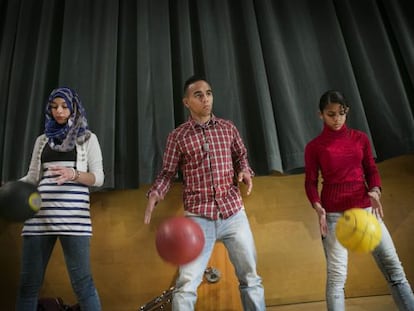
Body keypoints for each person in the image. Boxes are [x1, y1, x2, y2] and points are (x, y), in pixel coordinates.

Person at [144, 75, 266, 311]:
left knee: (250, 278)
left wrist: (245, 171)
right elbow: (167, 174)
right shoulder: (178, 136)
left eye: (208, 93)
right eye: (198, 95)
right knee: (187, 284)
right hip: (199, 218)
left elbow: (241, 156)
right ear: (186, 102)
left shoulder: (228, 128)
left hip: (233, 213)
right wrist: (155, 195)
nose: (206, 99)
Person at [304, 90, 414, 311]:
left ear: (347, 112)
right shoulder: (315, 147)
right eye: (331, 114)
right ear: (321, 115)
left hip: (366, 212)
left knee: (396, 272)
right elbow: (310, 182)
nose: (337, 119)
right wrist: (318, 206)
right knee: (336, 280)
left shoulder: (360, 139)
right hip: (334, 217)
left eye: (341, 113)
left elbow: (371, 170)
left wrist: (374, 191)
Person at [16, 87, 104, 310]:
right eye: (54, 107)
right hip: (38, 219)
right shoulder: (42, 140)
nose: (59, 111)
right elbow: (33, 177)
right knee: (28, 286)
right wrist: (11, 187)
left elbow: (98, 178)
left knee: (83, 284)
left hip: (74, 221)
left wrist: (73, 174)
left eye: (64, 106)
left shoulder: (88, 139)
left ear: (74, 108)